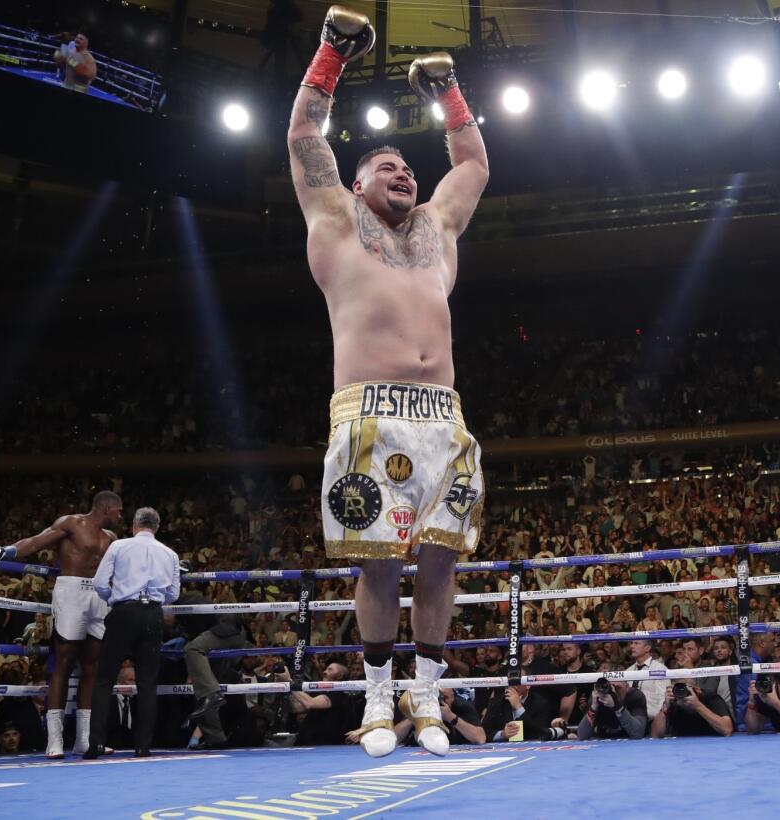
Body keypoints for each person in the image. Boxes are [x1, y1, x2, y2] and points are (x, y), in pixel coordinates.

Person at [287, 6, 489, 758]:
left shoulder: (436, 232)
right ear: (358, 181)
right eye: (387, 167)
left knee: (440, 561)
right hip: (368, 411)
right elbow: (306, 136)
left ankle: (426, 695)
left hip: (445, 417)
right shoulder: (336, 222)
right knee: (378, 561)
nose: (403, 172)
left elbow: (471, 165)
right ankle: (378, 697)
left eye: (409, 167)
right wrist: (333, 52)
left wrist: (449, 91)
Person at [0, 490, 123, 758]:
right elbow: (37, 541)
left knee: (92, 666)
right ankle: (54, 740)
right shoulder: (71, 523)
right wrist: (6, 551)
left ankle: (84, 740)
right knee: (64, 662)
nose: (120, 516)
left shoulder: (112, 539)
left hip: (100, 595)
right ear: (106, 507)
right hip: (70, 591)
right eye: (118, 511)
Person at [83, 507, 180, 758]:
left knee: (104, 679)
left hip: (123, 612)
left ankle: (94, 745)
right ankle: (142, 746)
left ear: (135, 525)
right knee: (147, 683)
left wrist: (116, 599)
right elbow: (173, 595)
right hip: (152, 616)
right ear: (156, 528)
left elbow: (99, 584)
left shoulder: (119, 546)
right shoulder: (170, 554)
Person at [178, 588, 248, 750]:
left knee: (192, 649)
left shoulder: (185, 601)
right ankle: (215, 737)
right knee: (201, 688)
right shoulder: (181, 611)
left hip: (227, 630)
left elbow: (197, 627)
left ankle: (212, 694)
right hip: (221, 637)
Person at [650, 682, 734, 738]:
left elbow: (727, 730)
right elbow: (655, 735)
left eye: (685, 687)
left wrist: (697, 705)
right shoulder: (673, 703)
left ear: (697, 689)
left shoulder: (712, 699)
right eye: (678, 688)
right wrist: (665, 707)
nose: (681, 691)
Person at [576, 676, 648, 740]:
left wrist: (617, 707)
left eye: (618, 688)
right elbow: (582, 736)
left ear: (627, 687)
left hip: (630, 744)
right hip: (604, 744)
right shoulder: (598, 697)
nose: (615, 692)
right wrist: (594, 707)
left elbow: (638, 733)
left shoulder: (634, 696)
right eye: (611, 687)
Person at [626, 639, 668, 719]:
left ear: (647, 648)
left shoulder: (659, 669)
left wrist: (657, 719)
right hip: (631, 719)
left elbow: (663, 698)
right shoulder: (629, 671)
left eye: (636, 643)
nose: (632, 646)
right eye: (631, 643)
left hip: (652, 719)